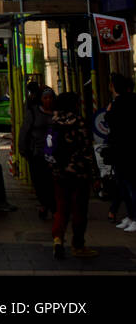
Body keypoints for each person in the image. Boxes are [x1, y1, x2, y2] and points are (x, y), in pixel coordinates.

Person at [49, 91, 100, 259]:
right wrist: (95, 175)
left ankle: (57, 239)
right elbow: (87, 150)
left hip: (59, 172)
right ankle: (78, 245)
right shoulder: (79, 122)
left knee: (61, 208)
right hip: (78, 172)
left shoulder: (54, 121)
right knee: (79, 210)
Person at [19, 84, 55, 220]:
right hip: (37, 153)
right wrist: (22, 149)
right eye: (45, 98)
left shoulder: (58, 113)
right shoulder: (33, 113)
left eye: (50, 98)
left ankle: (51, 205)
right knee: (39, 181)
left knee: (51, 181)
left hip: (54, 154)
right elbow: (24, 131)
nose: (48, 101)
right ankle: (44, 204)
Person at [106, 74, 136, 231]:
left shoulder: (121, 103)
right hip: (123, 150)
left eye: (111, 85)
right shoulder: (125, 101)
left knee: (129, 184)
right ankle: (131, 216)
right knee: (124, 184)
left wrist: (109, 112)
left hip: (125, 149)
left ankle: (134, 217)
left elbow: (112, 122)